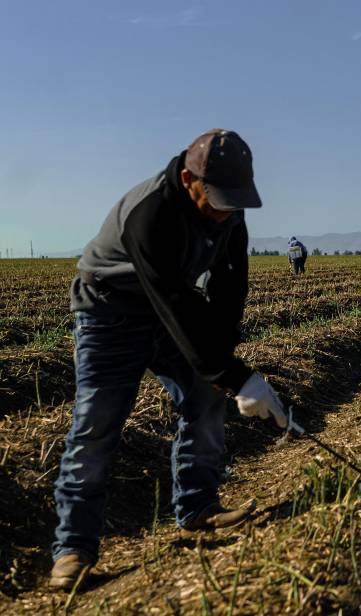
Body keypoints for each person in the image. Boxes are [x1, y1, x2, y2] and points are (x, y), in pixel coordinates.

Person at [50, 129, 290, 590]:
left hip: (167, 304)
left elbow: (227, 290)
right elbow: (174, 304)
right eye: (217, 198)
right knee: (97, 421)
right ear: (188, 178)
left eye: (235, 200)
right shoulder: (151, 212)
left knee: (204, 399)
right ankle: (74, 548)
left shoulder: (230, 213)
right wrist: (232, 373)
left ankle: (198, 508)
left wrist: (229, 368)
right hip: (110, 310)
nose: (225, 211)